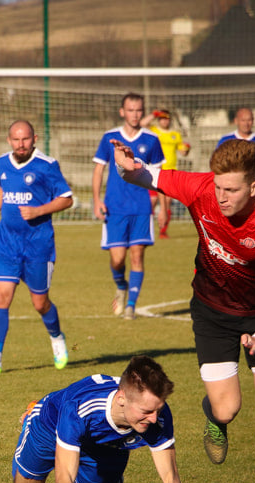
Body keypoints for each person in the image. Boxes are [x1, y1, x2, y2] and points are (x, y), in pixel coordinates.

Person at [111, 138, 255, 483]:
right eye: (217, 187)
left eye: (230, 189)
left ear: (254, 186)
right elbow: (141, 175)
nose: (221, 196)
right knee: (226, 408)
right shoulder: (201, 188)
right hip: (213, 312)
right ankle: (214, 420)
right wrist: (123, 165)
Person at [12, 355, 182, 483]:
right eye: (147, 411)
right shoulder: (79, 409)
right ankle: (32, 412)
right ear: (121, 399)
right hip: (49, 426)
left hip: (106, 446)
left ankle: (105, 475)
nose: (154, 418)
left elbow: (170, 477)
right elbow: (63, 482)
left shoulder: (158, 415)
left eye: (158, 410)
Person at [0, 120, 74, 374]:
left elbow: (67, 199)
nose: (21, 144)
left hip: (38, 247)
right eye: (16, 140)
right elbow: (3, 190)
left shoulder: (47, 166)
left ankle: (56, 337)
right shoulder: (3, 163)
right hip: (7, 244)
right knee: (1, 298)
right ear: (9, 140)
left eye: (26, 139)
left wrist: (39, 210)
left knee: (40, 303)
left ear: (35, 138)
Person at [92, 93, 165, 320]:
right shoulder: (109, 137)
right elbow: (98, 170)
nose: (135, 114)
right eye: (130, 110)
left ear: (143, 112)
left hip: (142, 207)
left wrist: (164, 207)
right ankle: (121, 286)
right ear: (122, 112)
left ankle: (131, 306)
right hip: (115, 207)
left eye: (138, 110)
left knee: (136, 257)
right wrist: (96, 200)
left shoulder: (151, 140)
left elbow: (161, 176)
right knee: (117, 260)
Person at [140, 108, 191, 238]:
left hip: (170, 172)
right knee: (151, 201)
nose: (164, 121)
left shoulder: (175, 134)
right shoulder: (154, 131)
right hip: (154, 171)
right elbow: (142, 124)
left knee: (167, 202)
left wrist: (186, 149)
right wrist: (153, 114)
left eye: (166, 118)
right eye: (162, 118)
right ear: (159, 120)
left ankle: (163, 230)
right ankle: (145, 228)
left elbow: (182, 152)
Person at [217, 107, 255, 194]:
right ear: (236, 121)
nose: (246, 123)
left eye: (249, 120)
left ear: (253, 121)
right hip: (231, 190)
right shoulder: (225, 140)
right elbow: (218, 166)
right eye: (243, 120)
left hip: (253, 191)